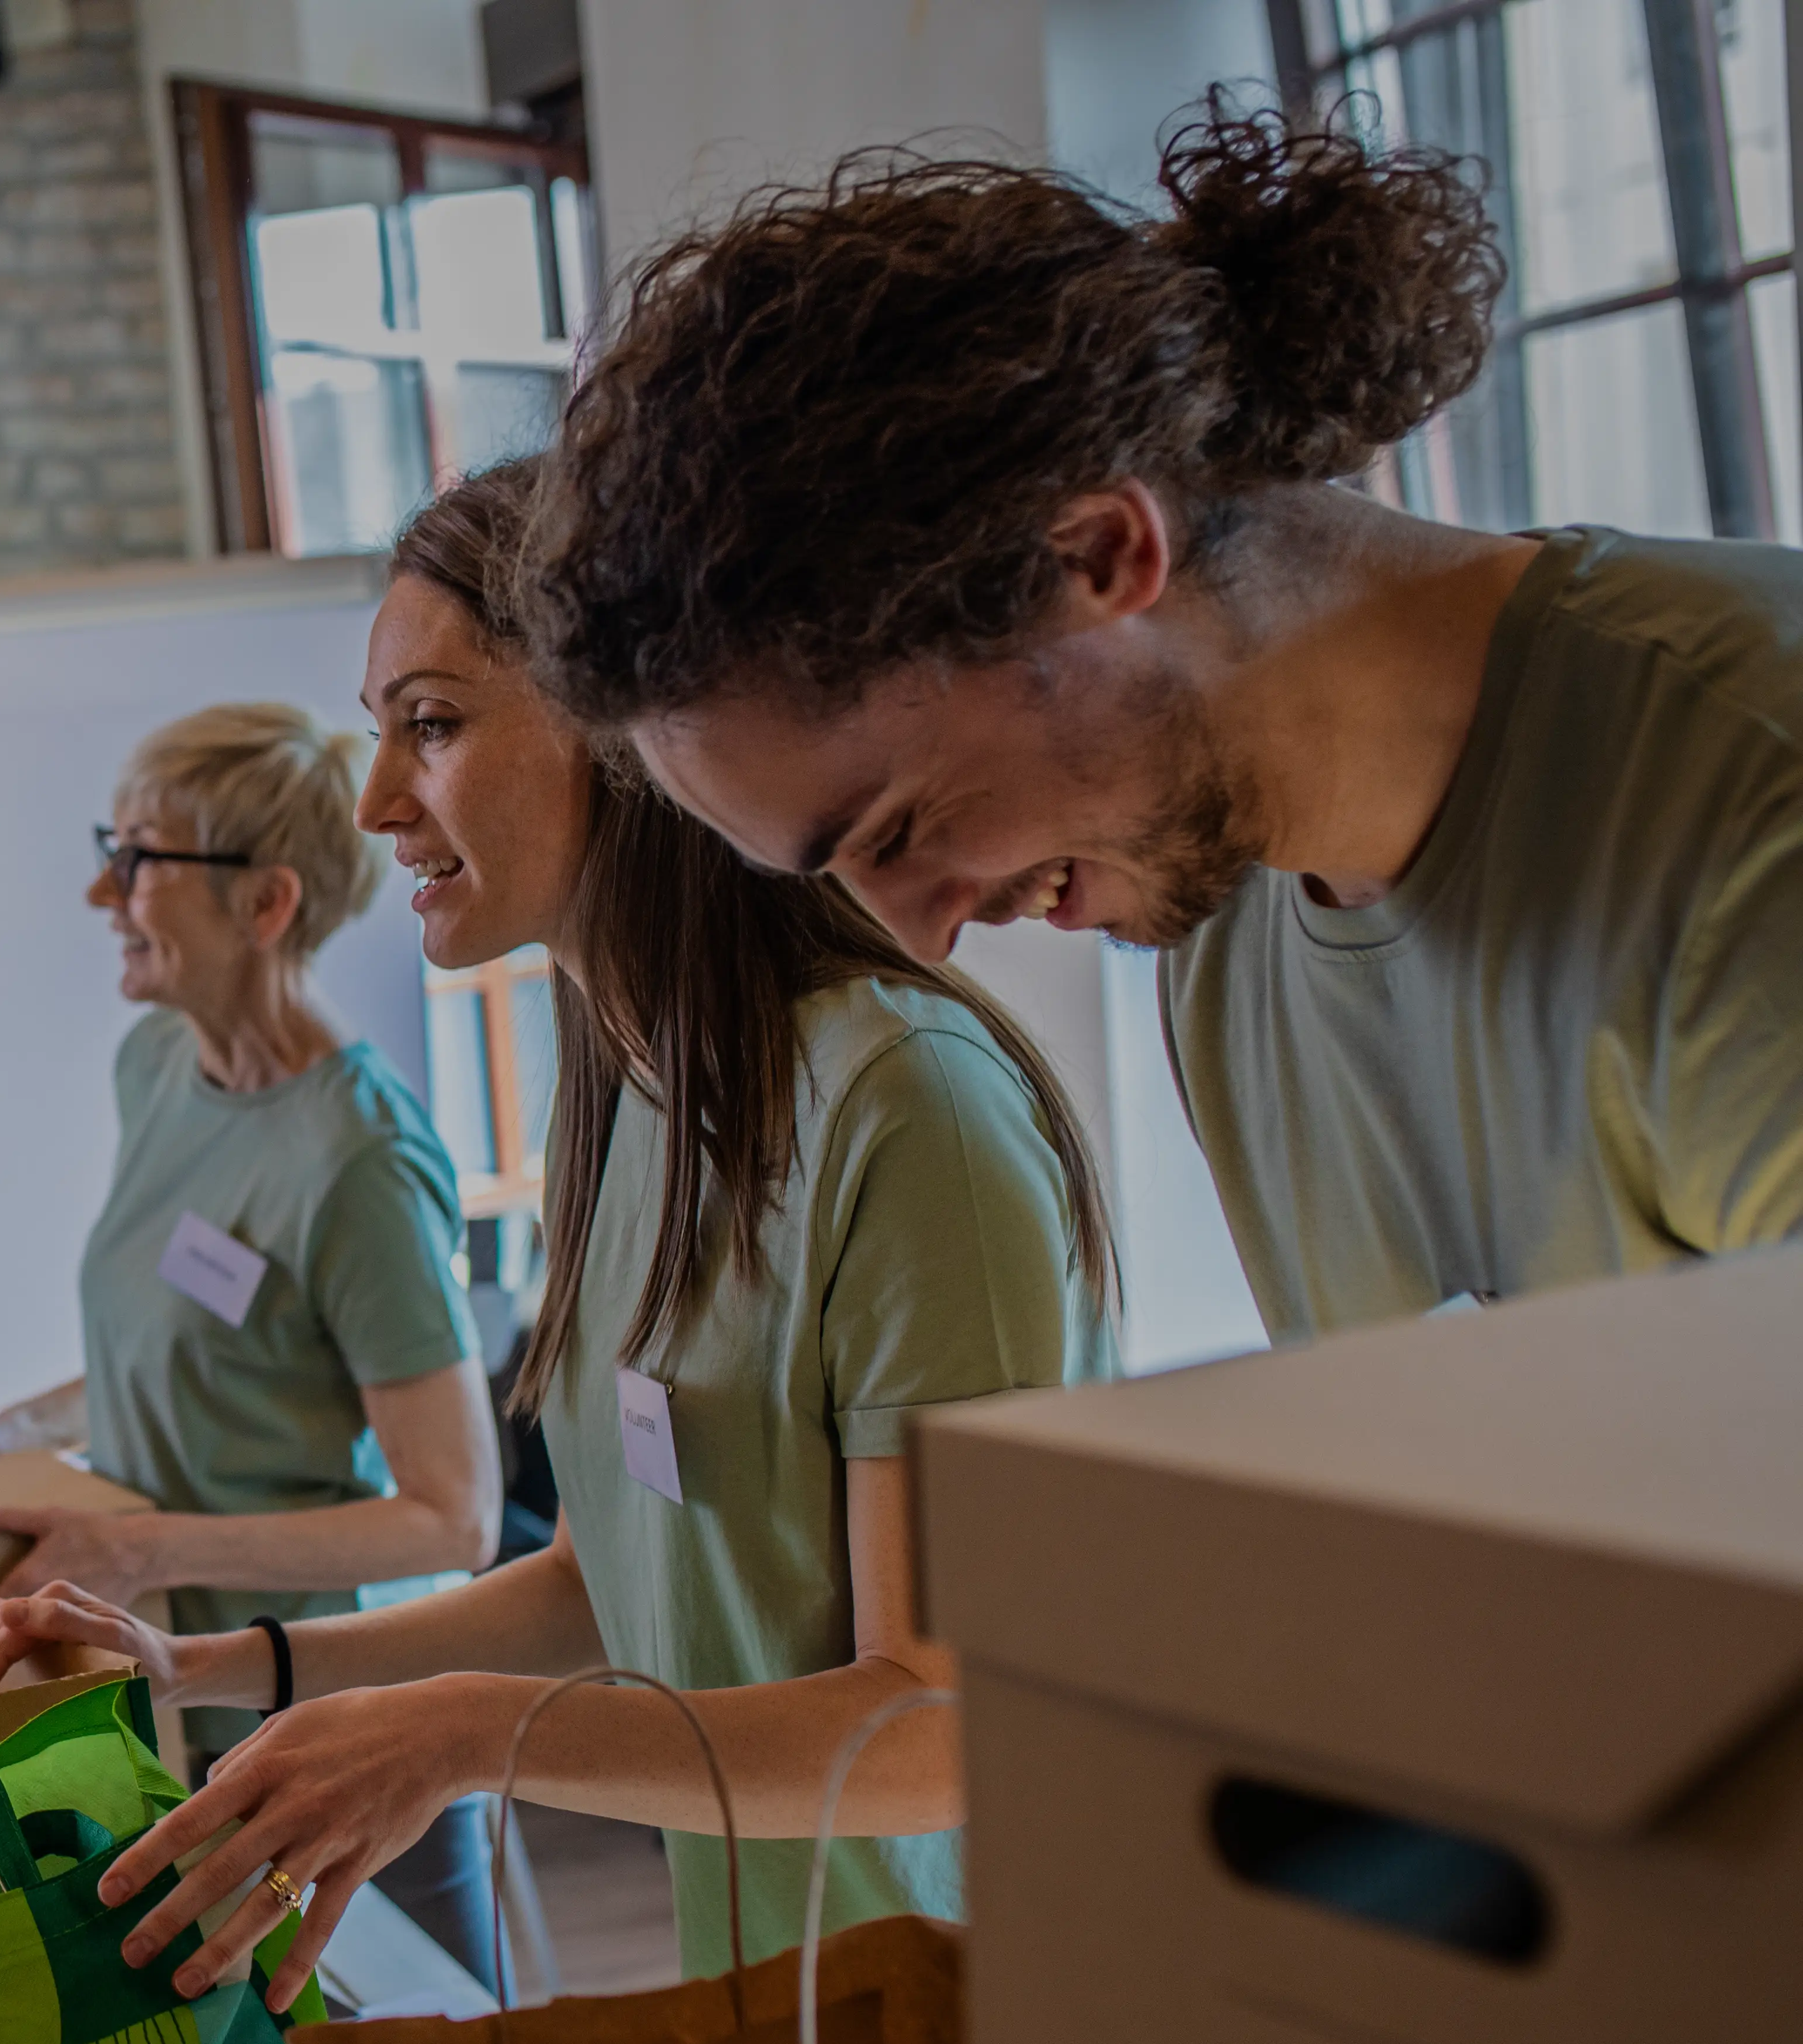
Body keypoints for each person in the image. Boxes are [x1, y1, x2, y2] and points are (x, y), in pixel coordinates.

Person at [0, 462, 1114, 1995]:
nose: (375, 805)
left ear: (632, 733)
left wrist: (468, 1738)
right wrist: (209, 1669)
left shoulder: (906, 1112)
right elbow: (607, 1585)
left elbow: (940, 1728)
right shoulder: (633, 1099)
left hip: (964, 2038)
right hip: (756, 2011)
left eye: (430, 724)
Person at [524, 105, 1803, 1342]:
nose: (927, 930)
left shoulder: (1748, 795)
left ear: (1098, 551)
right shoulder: (1222, 920)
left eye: (901, 825)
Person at [0, 701, 504, 1966]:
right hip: (171, 1672)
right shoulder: (158, 1068)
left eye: (143, 857)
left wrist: (131, 1538)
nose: (104, 888)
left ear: (265, 906)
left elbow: (453, 1515)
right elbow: (181, 1340)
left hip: (327, 1703)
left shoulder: (366, 1161)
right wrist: (3, 1434)